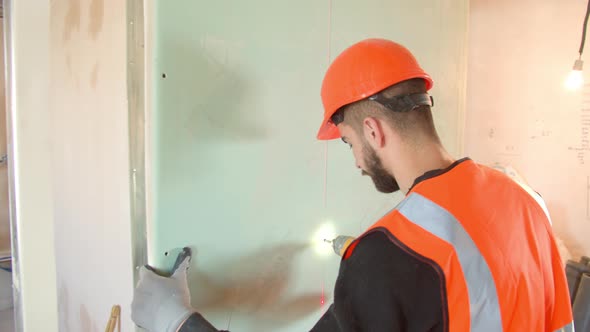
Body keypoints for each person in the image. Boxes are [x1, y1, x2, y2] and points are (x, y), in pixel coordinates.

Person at [131, 38, 574, 331]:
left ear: (373, 130)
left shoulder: (385, 256)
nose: (357, 162)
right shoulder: (524, 200)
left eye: (348, 143)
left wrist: (177, 321)